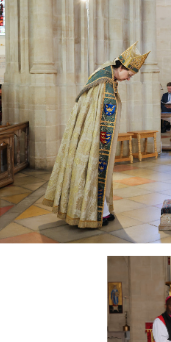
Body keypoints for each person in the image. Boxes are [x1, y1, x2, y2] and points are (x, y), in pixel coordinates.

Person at [42, 43, 147, 227]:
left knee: (99, 173)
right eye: (128, 75)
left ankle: (103, 211)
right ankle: (94, 214)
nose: (128, 79)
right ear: (121, 67)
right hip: (93, 138)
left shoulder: (106, 75)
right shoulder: (104, 83)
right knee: (93, 170)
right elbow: (100, 115)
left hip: (92, 134)